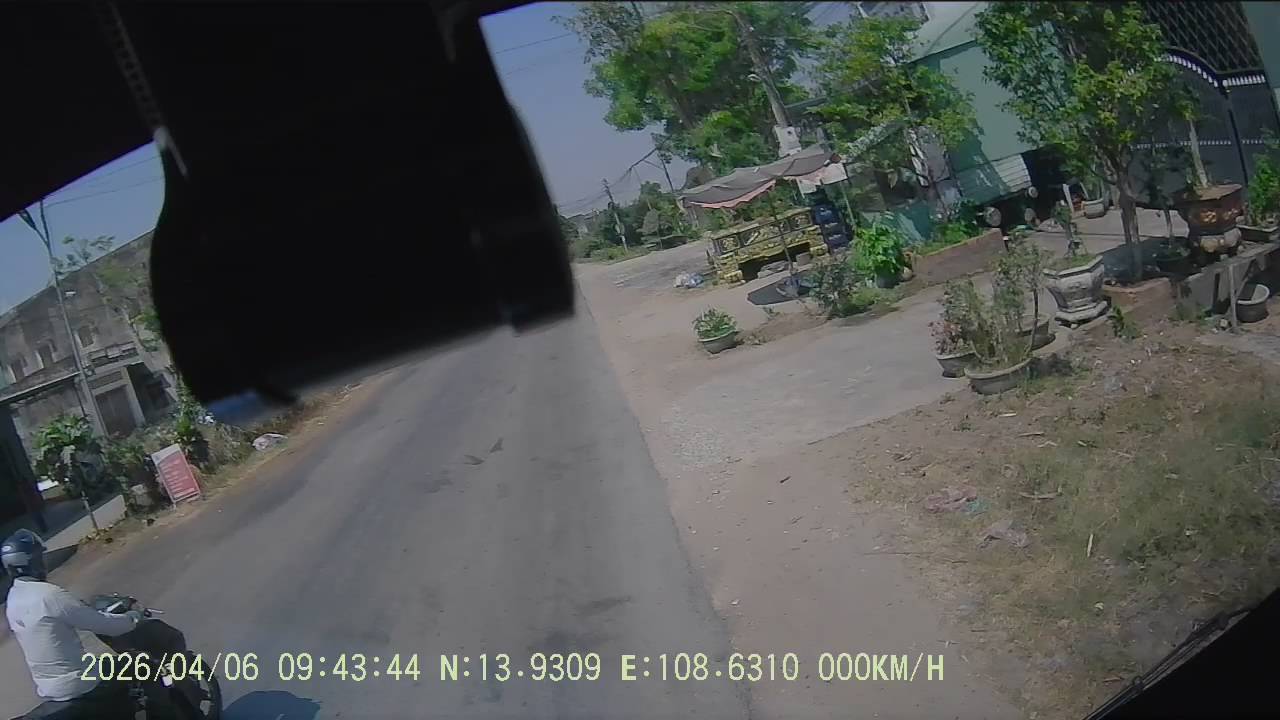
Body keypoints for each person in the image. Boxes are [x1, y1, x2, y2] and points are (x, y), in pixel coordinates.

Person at [2, 529, 143, 717]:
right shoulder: (49, 595)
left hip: (49, 687)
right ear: (32, 562)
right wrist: (133, 617)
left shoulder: (13, 599)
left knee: (103, 664)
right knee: (137, 664)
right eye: (40, 558)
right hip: (78, 682)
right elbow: (105, 625)